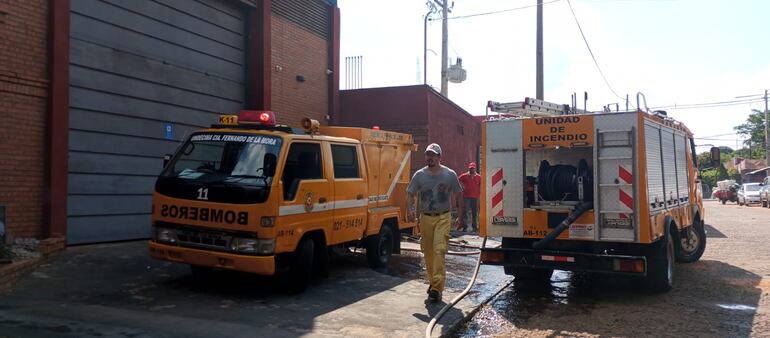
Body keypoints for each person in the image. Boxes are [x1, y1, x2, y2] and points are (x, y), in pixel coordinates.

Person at [407, 143, 463, 303]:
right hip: (425, 218)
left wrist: (460, 216)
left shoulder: (449, 174)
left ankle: (437, 288)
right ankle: (433, 283)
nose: (429, 158)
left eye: (433, 155)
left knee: (439, 250)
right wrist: (410, 210)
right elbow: (410, 193)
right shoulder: (419, 175)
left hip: (443, 217)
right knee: (428, 252)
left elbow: (459, 194)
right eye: (427, 155)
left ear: (439, 157)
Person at [458, 162, 481, 232]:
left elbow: (481, 184)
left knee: (475, 212)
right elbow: (457, 180)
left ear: (475, 169)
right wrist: (461, 187)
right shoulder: (464, 176)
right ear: (469, 168)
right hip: (466, 197)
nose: (471, 170)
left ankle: (475, 227)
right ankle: (465, 227)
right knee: (465, 212)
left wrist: (479, 192)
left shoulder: (479, 177)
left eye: (473, 168)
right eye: (470, 168)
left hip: (475, 197)